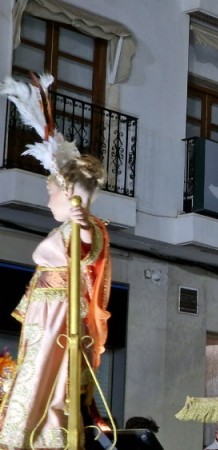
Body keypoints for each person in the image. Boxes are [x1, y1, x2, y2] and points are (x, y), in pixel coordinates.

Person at [0, 74, 112, 449]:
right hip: (44, 312)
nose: (48, 201)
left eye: (51, 193)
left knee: (48, 379)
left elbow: (87, 248)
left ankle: (42, 438)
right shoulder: (69, 225)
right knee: (38, 374)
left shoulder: (85, 225)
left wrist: (80, 225)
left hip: (59, 314)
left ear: (67, 194)